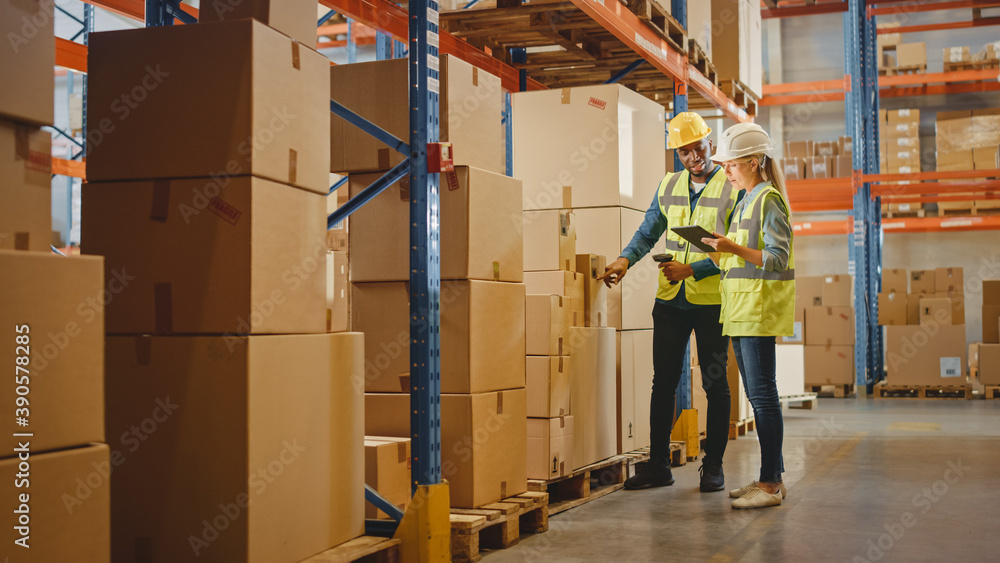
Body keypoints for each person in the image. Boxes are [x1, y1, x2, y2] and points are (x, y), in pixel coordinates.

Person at [598, 112, 741, 493]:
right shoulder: (670, 185)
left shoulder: (731, 187)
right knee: (662, 382)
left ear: (710, 143)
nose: (693, 156)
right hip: (671, 300)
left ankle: (713, 467)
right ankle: (658, 464)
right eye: (684, 151)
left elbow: (738, 250)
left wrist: (692, 271)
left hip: (711, 300)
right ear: (676, 153)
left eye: (698, 147)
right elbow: (649, 230)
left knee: (715, 387)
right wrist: (625, 260)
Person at [700, 123, 795, 509]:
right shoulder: (745, 199)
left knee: (763, 398)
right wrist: (715, 250)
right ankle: (770, 478)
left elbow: (777, 258)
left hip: (758, 310)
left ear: (754, 163)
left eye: (732, 165)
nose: (726, 172)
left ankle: (771, 485)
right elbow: (737, 260)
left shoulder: (768, 199)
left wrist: (733, 249)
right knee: (760, 398)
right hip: (741, 311)